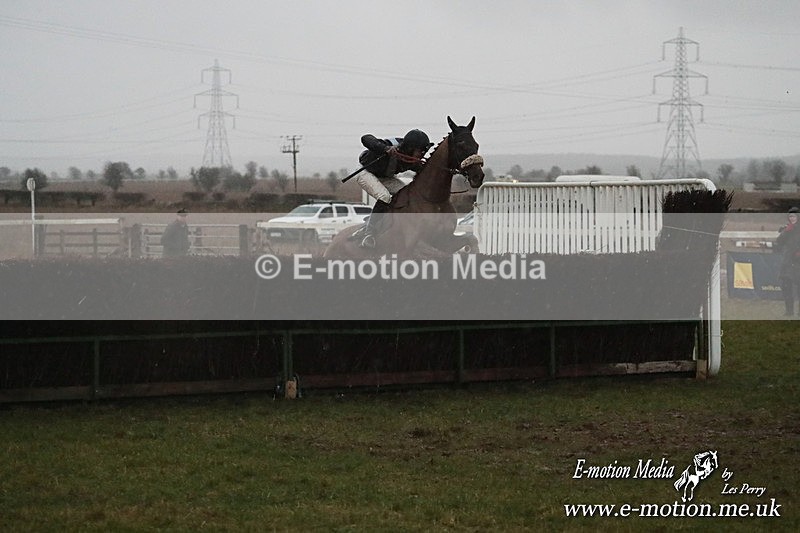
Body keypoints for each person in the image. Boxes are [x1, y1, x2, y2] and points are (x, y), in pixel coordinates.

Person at [355, 129, 432, 248]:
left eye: (424, 152)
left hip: (385, 177)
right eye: (420, 151)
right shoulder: (391, 145)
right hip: (365, 172)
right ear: (410, 148)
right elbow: (365, 138)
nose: (422, 155)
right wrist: (385, 149)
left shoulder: (410, 158)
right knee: (384, 196)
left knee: (408, 193)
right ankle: (368, 232)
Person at [775, 206, 800, 316]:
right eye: (790, 216)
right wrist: (786, 231)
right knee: (786, 286)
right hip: (788, 261)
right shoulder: (787, 229)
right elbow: (779, 242)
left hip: (798, 261)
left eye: (794, 216)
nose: (792, 218)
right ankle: (789, 312)